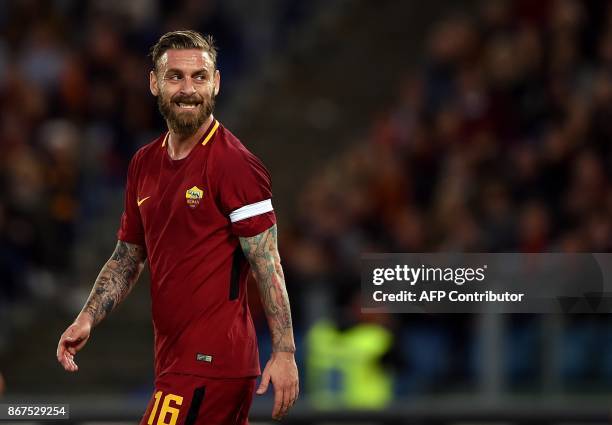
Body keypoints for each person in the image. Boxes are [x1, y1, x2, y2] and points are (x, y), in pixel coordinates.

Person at [56, 30, 299, 424]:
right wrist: (86, 318)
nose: (188, 89)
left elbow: (266, 262)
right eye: (175, 77)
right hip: (174, 361)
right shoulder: (143, 164)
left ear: (216, 82)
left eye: (199, 77)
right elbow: (128, 256)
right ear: (154, 83)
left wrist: (285, 352)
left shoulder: (234, 163)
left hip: (211, 364)